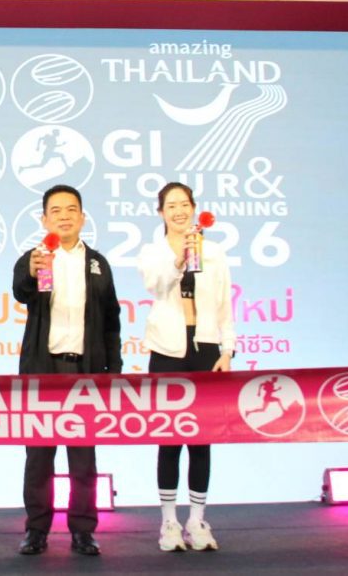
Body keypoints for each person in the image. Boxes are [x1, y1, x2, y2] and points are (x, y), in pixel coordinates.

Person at [12, 184, 121, 557]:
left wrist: (113, 370)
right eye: (55, 211)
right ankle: (36, 529)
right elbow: (21, 292)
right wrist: (31, 272)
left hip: (85, 371)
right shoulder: (35, 258)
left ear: (83, 217)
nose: (64, 216)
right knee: (38, 457)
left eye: (71, 209)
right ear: (44, 219)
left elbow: (111, 321)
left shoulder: (98, 263)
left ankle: (83, 531)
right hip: (43, 371)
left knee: (83, 458)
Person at [137, 181, 235, 552]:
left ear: (194, 208)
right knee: (169, 438)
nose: (179, 211)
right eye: (171, 206)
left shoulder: (215, 252)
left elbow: (224, 304)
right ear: (161, 213)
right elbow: (155, 285)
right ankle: (169, 522)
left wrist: (228, 349)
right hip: (166, 350)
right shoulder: (153, 252)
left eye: (184, 204)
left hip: (206, 349)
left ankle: (197, 519)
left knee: (201, 439)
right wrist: (179, 258)